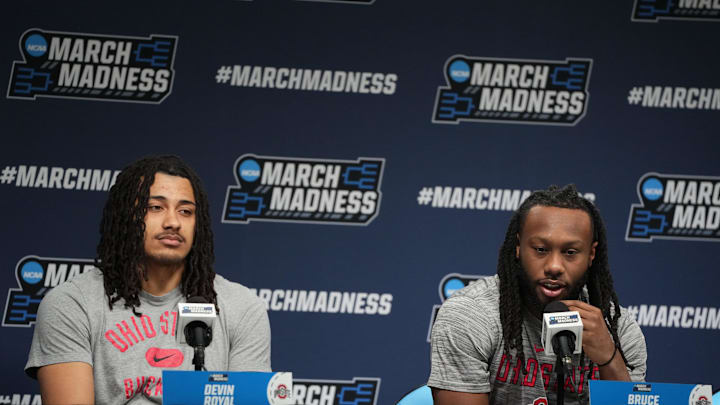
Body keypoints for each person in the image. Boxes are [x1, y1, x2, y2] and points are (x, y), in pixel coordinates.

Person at [25, 155, 271, 404]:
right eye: (155, 207)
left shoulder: (242, 307)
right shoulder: (71, 304)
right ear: (126, 215)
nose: (173, 222)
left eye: (185, 211)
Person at [428, 185, 647, 405]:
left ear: (591, 254)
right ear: (518, 246)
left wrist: (610, 359)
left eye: (570, 252)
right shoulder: (470, 316)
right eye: (541, 249)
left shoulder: (618, 329)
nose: (554, 266)